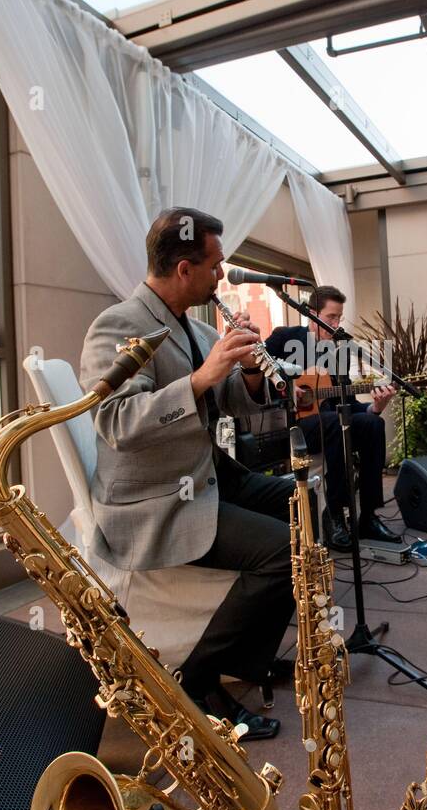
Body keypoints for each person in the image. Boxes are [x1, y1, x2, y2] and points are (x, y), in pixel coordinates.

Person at [80, 207, 294, 740]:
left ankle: (246, 661)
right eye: (216, 264)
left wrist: (245, 371)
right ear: (183, 268)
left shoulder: (195, 326)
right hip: (156, 500)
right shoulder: (118, 324)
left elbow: (232, 406)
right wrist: (201, 378)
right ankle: (193, 680)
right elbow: (114, 420)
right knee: (283, 550)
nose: (221, 275)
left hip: (208, 474)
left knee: (303, 504)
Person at [263, 286, 399, 550]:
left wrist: (375, 408)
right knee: (336, 424)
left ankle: (369, 516)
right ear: (311, 314)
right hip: (293, 423)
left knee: (372, 424)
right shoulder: (285, 337)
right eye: (331, 318)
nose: (336, 324)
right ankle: (335, 515)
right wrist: (287, 386)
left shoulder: (338, 350)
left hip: (329, 421)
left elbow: (347, 402)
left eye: (339, 318)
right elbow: (257, 367)